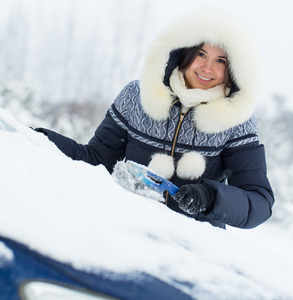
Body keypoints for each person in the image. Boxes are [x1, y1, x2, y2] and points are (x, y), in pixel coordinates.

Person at [35, 11, 274, 229]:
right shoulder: (136, 97)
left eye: (220, 60)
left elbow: (259, 202)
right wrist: (41, 140)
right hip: (125, 227)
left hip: (193, 244)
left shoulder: (236, 120)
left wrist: (210, 197)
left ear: (233, 68)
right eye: (201, 54)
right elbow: (98, 160)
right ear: (183, 52)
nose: (207, 67)